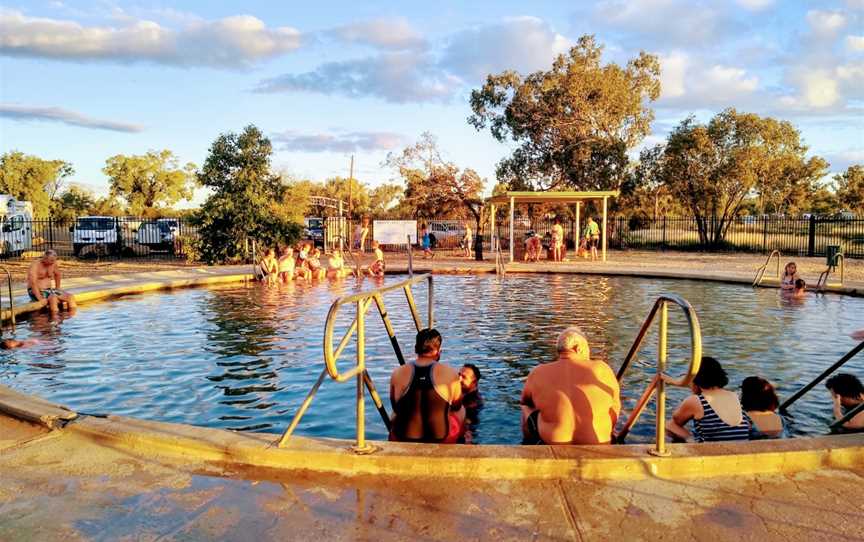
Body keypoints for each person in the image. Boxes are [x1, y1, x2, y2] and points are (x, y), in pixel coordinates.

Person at [520, 327, 620, 445]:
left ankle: (528, 445)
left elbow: (524, 401)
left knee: (526, 407)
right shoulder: (601, 368)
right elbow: (615, 408)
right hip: (598, 444)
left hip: (554, 443)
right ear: (578, 348)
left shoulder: (538, 372)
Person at [389, 328, 464, 443]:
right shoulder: (450, 373)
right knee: (461, 410)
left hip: (403, 437)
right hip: (441, 438)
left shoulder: (398, 373)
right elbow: (457, 406)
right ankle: (462, 442)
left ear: (416, 349)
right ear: (439, 351)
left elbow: (395, 407)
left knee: (394, 414)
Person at [666, 356, 751, 442]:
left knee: (669, 425)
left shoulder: (696, 400)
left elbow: (676, 421)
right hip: (741, 448)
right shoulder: (734, 396)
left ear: (695, 378)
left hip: (714, 452)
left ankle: (691, 441)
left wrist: (689, 437)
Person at [27, 250, 77, 315]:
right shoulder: (35, 265)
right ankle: (54, 320)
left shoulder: (53, 263)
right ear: (45, 258)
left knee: (70, 297)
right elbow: (33, 282)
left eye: (54, 261)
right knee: (53, 298)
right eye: (51, 261)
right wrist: (39, 297)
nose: (52, 263)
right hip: (36, 291)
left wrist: (58, 287)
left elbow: (57, 274)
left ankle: (72, 319)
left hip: (49, 290)